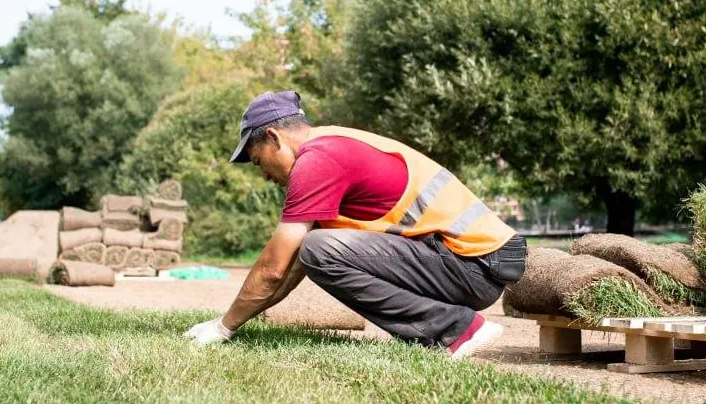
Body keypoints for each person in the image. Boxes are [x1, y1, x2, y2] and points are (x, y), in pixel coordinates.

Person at [184, 91, 528, 359]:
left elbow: (274, 267)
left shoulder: (317, 161)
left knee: (318, 247)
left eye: (259, 161)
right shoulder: (329, 145)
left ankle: (456, 331)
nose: (263, 173)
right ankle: (451, 330)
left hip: (474, 267)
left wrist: (223, 327)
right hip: (469, 263)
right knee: (316, 245)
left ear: (274, 138)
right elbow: (288, 269)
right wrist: (231, 325)